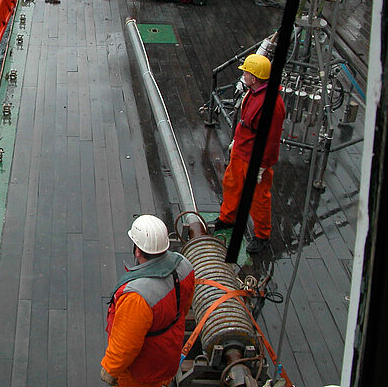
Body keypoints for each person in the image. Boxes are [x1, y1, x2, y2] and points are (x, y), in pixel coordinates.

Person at [101, 215, 195, 387]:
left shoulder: (136, 297)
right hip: (169, 353)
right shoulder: (185, 267)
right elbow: (185, 307)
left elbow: (126, 346)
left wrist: (110, 369)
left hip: (142, 371)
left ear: (137, 250)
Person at [213, 53, 286, 254]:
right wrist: (237, 141)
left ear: (254, 78)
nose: (243, 74)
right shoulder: (253, 93)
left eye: (246, 72)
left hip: (255, 159)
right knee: (232, 184)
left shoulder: (272, 105)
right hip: (241, 151)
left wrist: (263, 165)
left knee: (258, 197)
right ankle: (227, 219)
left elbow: (270, 139)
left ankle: (262, 235)